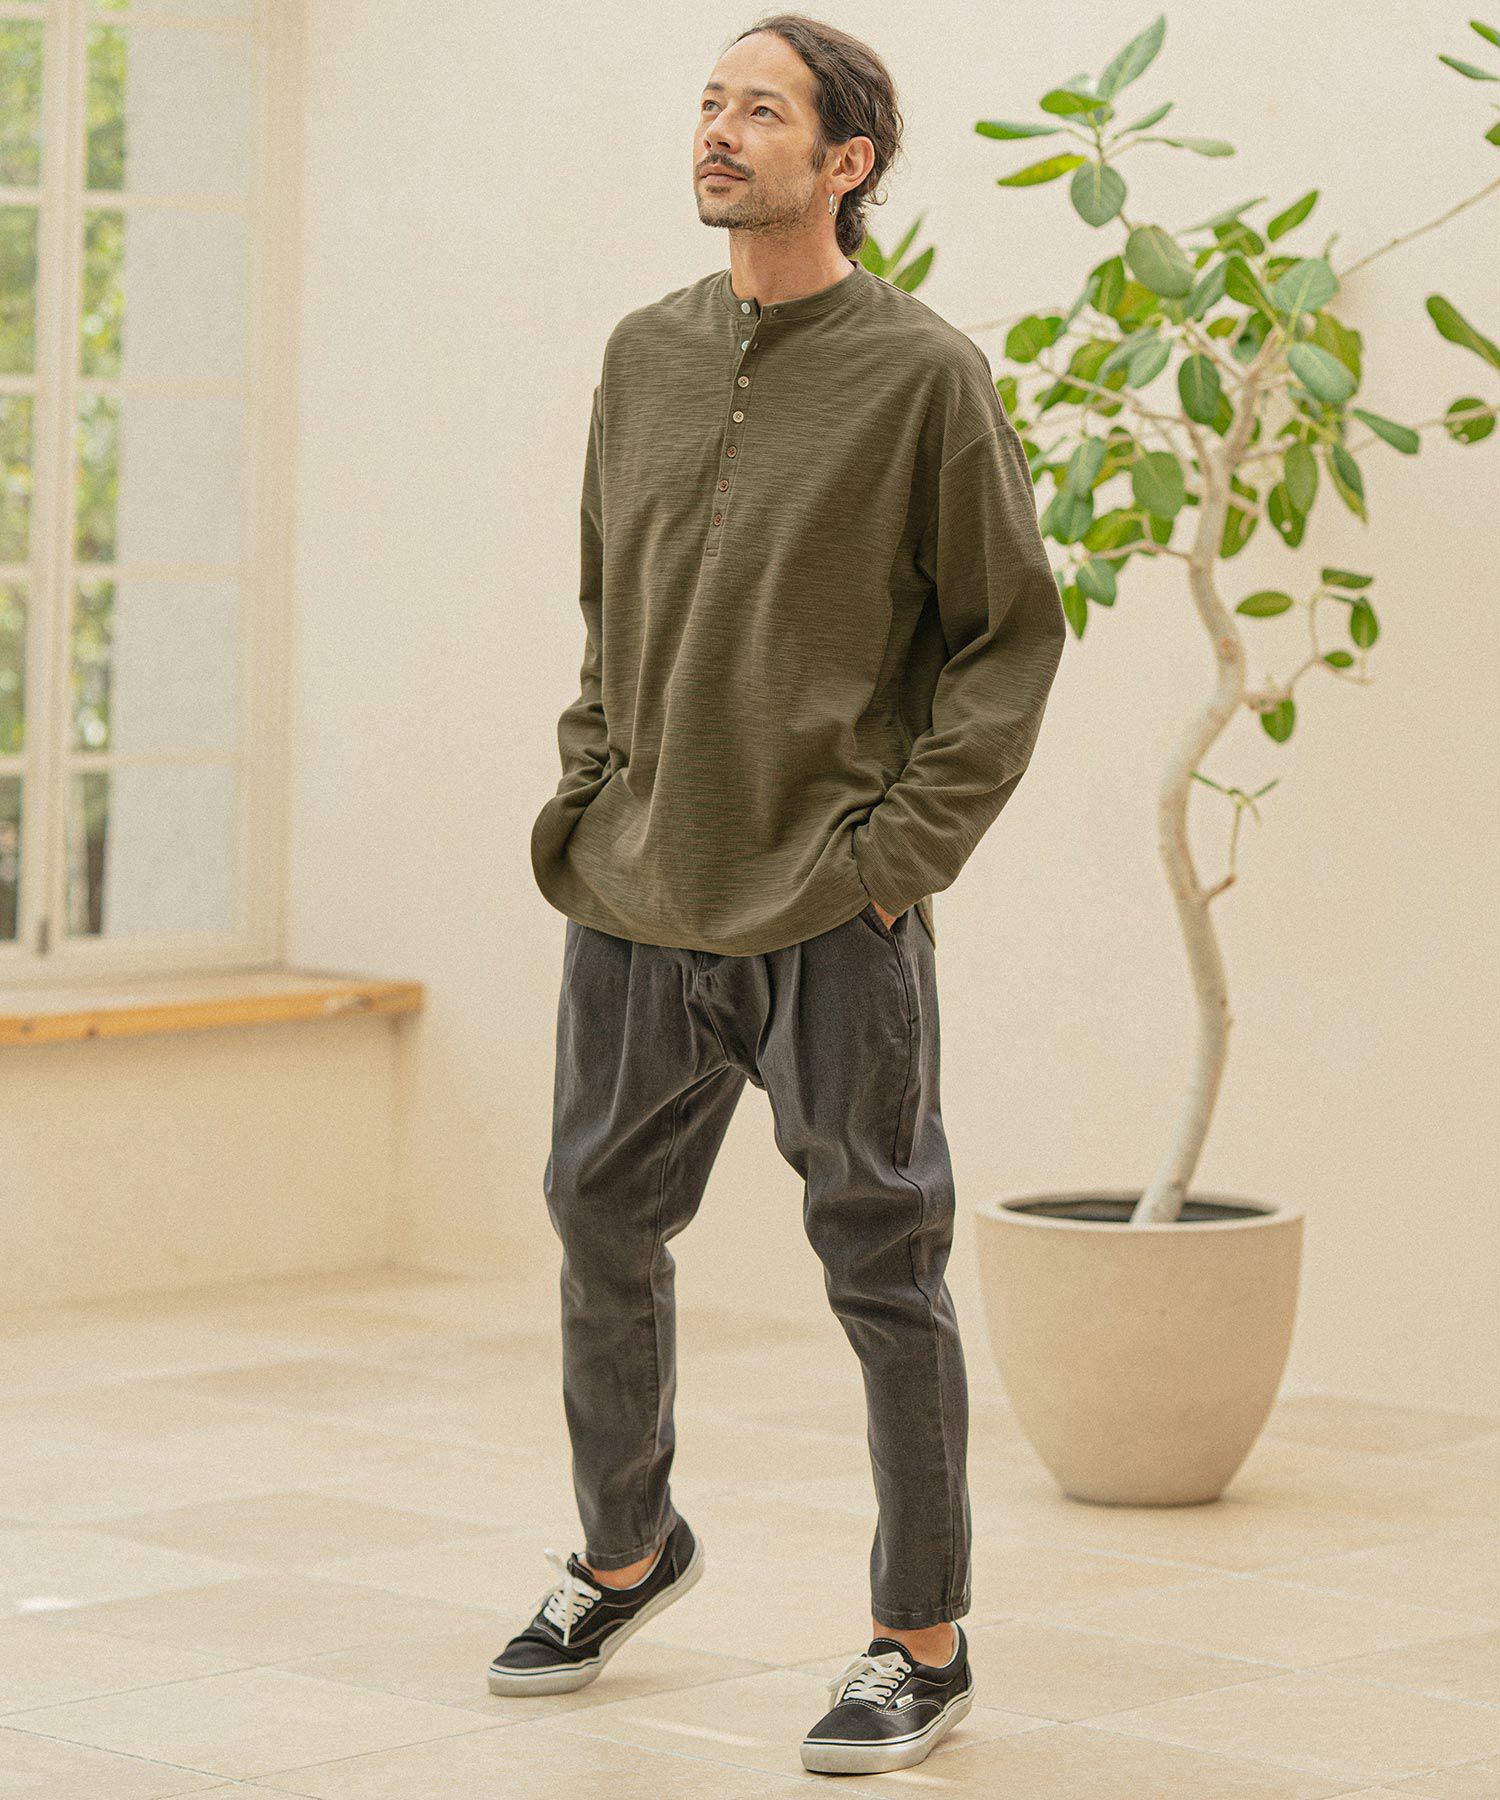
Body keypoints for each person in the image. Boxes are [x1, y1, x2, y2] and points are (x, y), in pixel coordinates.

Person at [489, 12, 1065, 1777]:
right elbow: (609, 599)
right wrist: (592, 788)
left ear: (848, 160)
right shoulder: (643, 353)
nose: (722, 132)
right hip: (638, 885)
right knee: (597, 1219)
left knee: (884, 1264)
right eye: (712, 104)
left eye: (763, 110)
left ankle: (922, 1642)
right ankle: (625, 1551)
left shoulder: (923, 376)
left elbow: (1009, 640)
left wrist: (895, 862)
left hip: (831, 905)